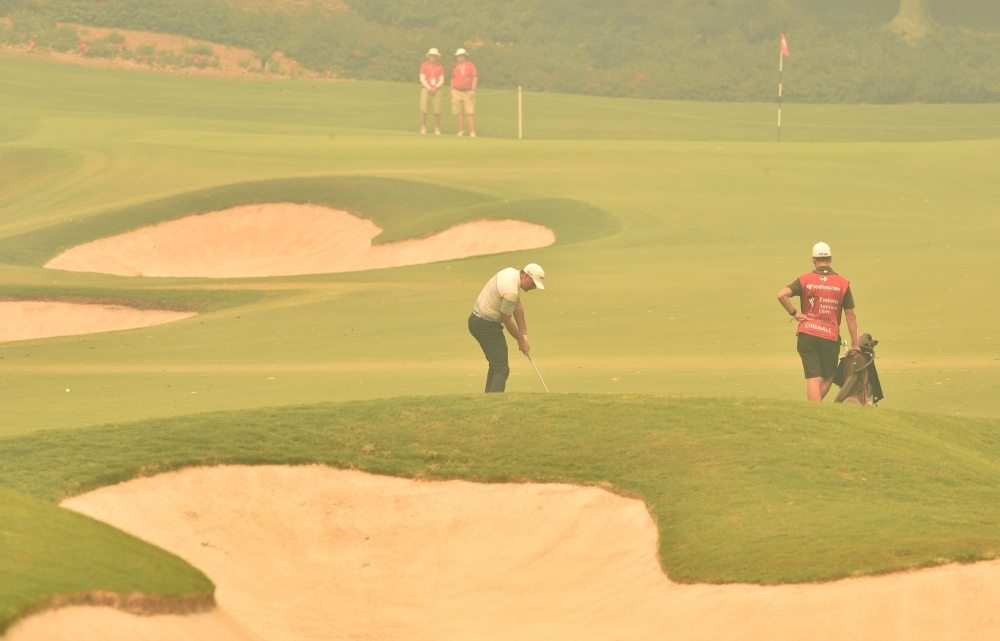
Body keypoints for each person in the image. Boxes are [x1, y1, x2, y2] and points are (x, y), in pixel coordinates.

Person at [776, 242, 861, 402]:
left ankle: (813, 409)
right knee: (830, 375)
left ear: (813, 260)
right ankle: (814, 409)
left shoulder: (805, 279)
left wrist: (795, 314)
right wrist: (855, 344)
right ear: (831, 259)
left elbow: (781, 295)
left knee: (813, 378)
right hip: (829, 336)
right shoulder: (842, 283)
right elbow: (850, 316)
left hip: (807, 334)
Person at [469, 264, 545, 392]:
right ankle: (494, 404)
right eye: (533, 284)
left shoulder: (511, 273)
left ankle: (488, 401)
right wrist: (521, 341)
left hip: (477, 321)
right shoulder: (511, 291)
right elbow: (507, 321)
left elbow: (517, 306)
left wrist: (524, 334)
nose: (534, 288)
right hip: (486, 325)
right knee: (501, 368)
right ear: (526, 276)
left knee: (496, 366)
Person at [450, 48, 477, 137]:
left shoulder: (470, 65)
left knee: (469, 112)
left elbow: (475, 77)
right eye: (458, 56)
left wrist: (473, 89)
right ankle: (461, 130)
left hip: (467, 91)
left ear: (465, 56)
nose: (460, 57)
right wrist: (451, 90)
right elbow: (452, 79)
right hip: (456, 91)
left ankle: (472, 131)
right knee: (458, 111)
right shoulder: (455, 66)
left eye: (461, 55)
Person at [419, 48, 444, 135]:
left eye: (434, 56)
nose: (432, 57)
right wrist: (429, 88)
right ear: (429, 56)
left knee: (437, 110)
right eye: (431, 56)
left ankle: (437, 128)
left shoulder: (440, 67)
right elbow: (422, 78)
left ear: (437, 57)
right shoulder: (424, 65)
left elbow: (441, 79)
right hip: (426, 89)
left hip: (437, 90)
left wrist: (435, 87)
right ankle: (423, 127)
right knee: (424, 109)